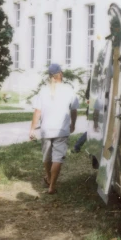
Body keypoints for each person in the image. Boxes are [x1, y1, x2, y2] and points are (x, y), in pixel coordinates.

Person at [29, 63, 79, 194]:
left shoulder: (43, 90)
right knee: (57, 157)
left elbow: (37, 111)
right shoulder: (69, 90)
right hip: (62, 130)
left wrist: (32, 129)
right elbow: (74, 110)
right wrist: (73, 124)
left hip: (46, 129)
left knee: (47, 157)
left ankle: (49, 178)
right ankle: (52, 186)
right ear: (60, 74)